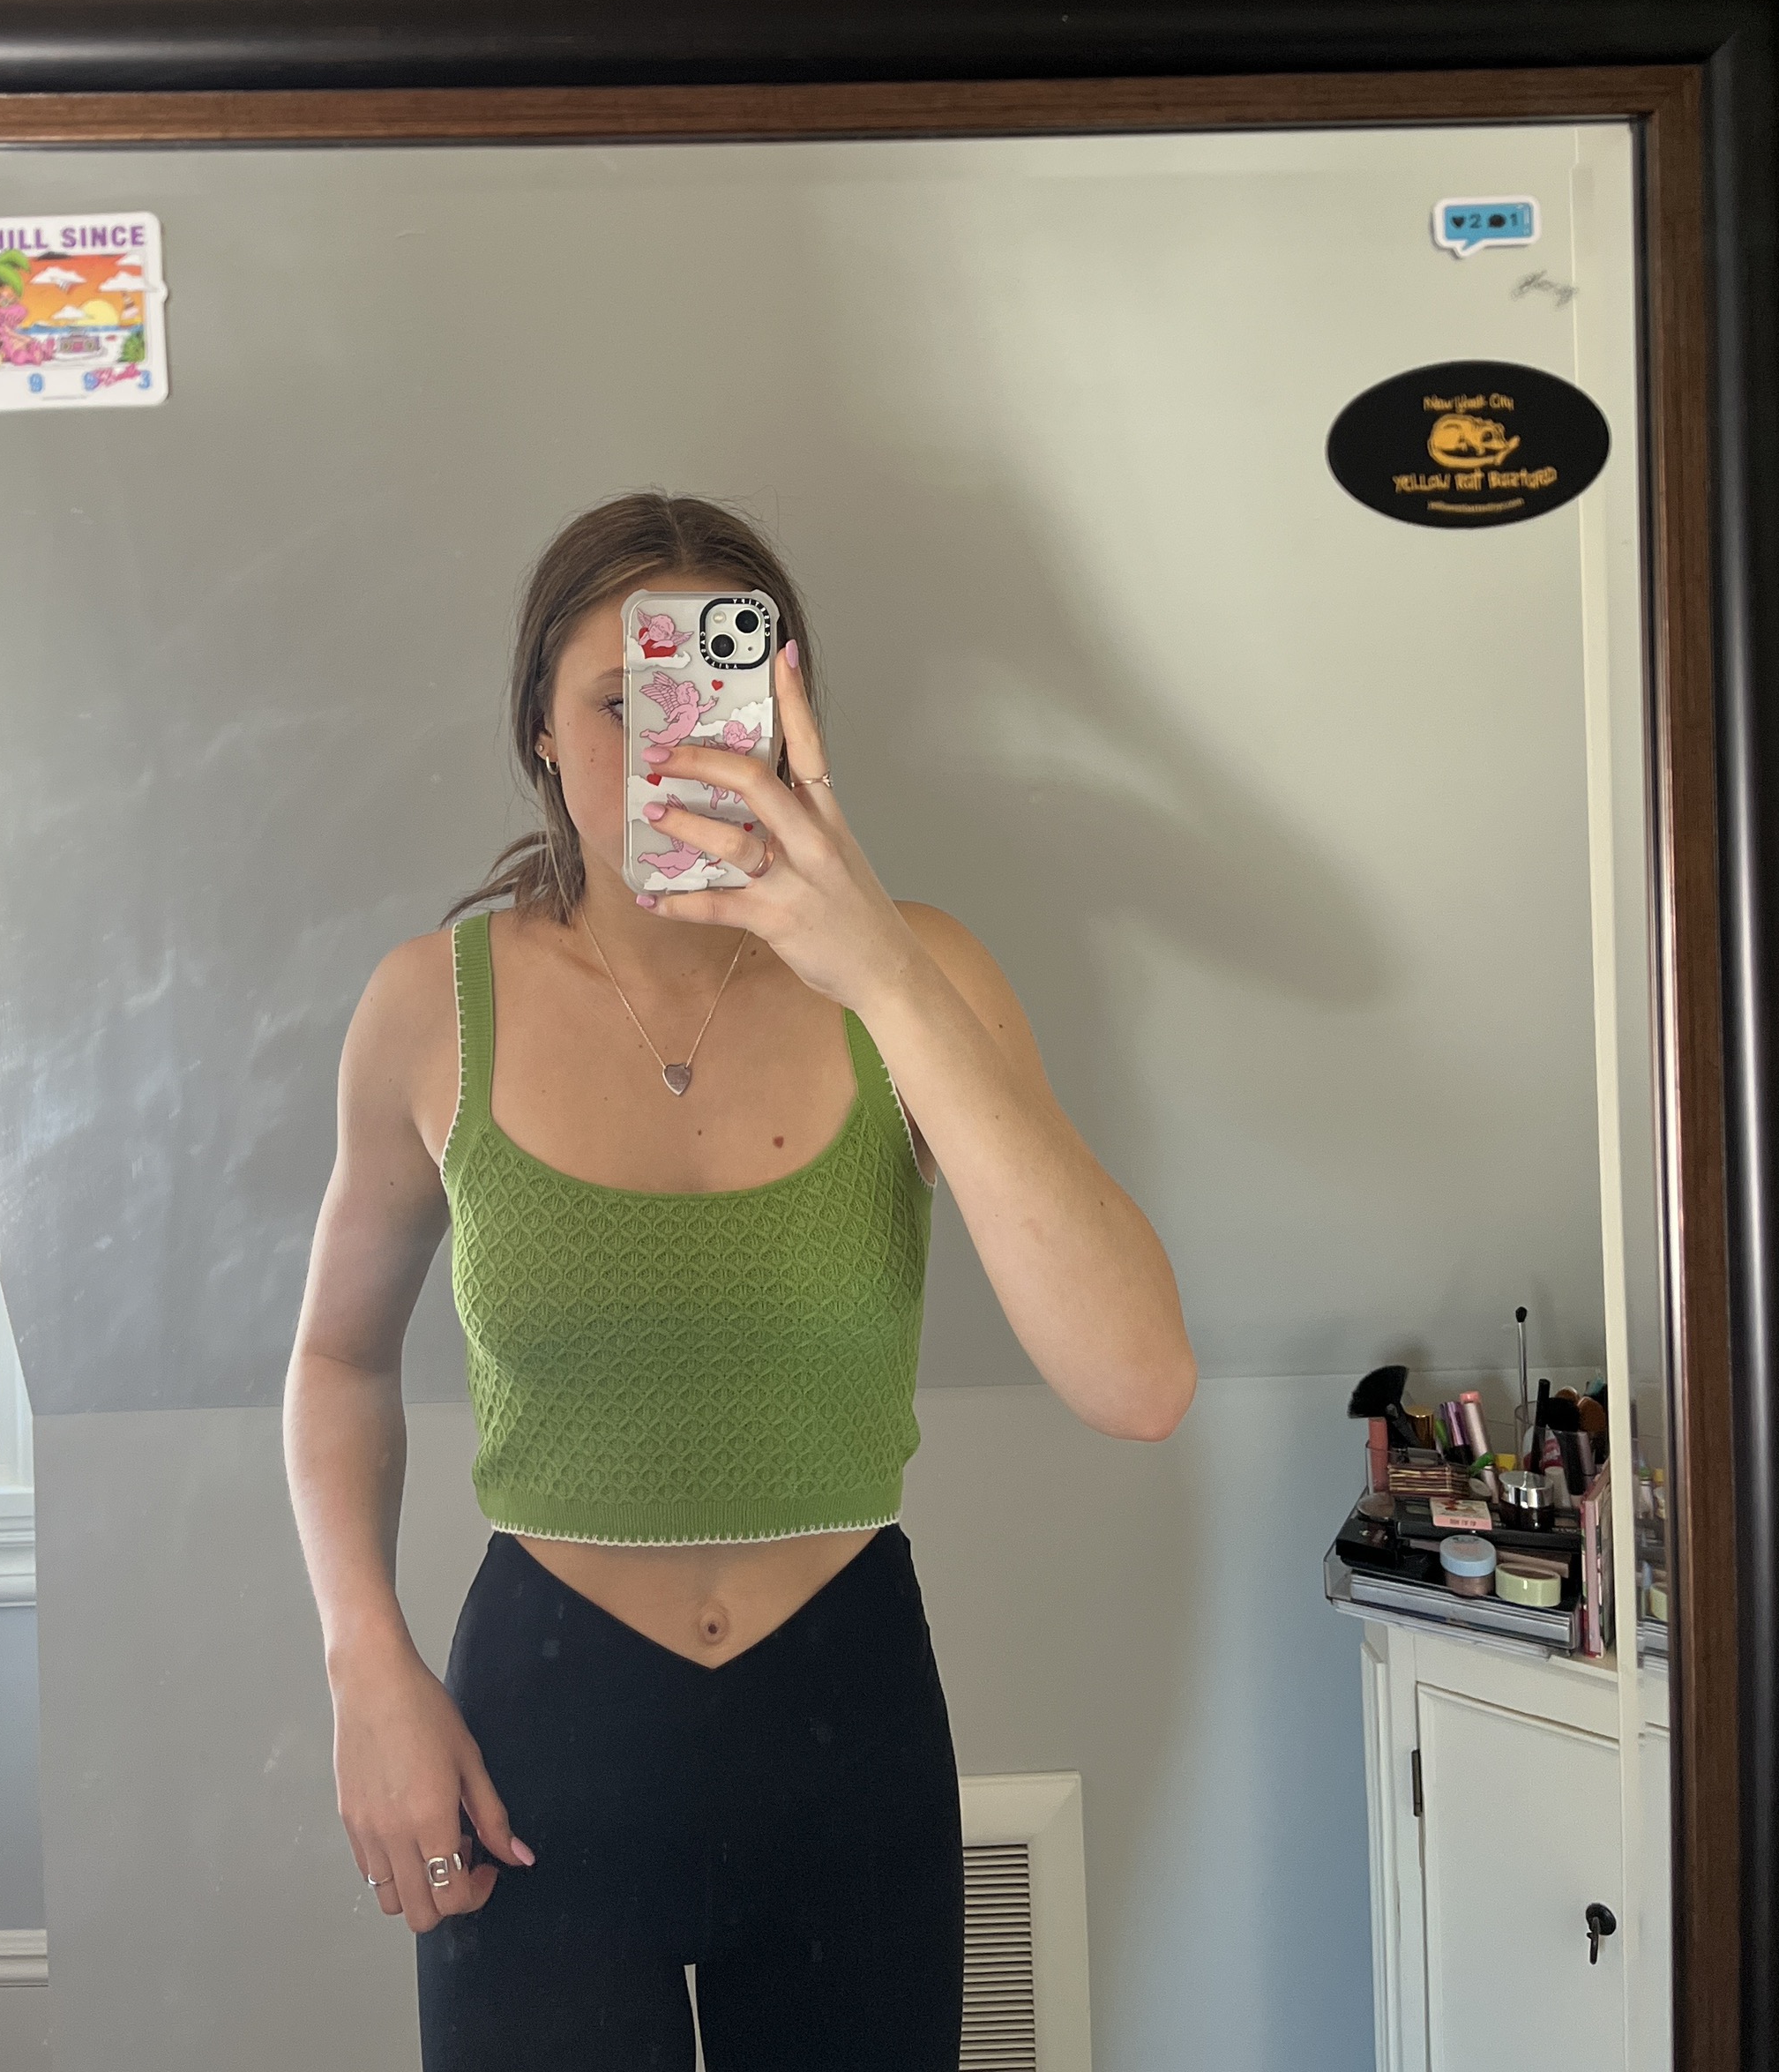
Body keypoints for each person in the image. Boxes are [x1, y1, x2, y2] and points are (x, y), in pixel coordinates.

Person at [283, 493, 1195, 2071]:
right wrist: (364, 1662)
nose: (676, 747)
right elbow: (338, 1362)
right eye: (622, 701)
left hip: (846, 1718)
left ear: (788, 722)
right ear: (538, 729)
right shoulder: (430, 1009)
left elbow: (1138, 1381)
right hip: (542, 1731)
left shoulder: (919, 976)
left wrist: (879, 968)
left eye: (720, 698)